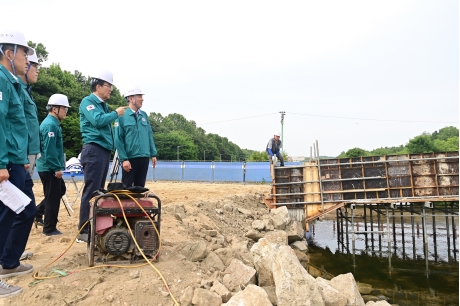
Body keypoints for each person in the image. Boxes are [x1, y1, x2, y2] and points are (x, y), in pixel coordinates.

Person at [0, 29, 36, 298]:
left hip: (15, 160)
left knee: (22, 209)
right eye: (25, 53)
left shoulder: (10, 82)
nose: (28, 60)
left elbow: (15, 125)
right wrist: (2, 163)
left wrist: (21, 160)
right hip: (6, 162)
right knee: (4, 217)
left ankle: (9, 261)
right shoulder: (2, 81)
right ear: (9, 54)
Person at [77, 71, 127, 242]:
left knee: (98, 191)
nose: (111, 90)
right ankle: (83, 230)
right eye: (108, 86)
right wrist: (116, 114)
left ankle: (93, 226)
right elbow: (97, 121)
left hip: (103, 150)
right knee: (91, 190)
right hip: (94, 149)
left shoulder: (103, 106)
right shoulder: (88, 102)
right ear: (98, 86)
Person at [35, 94, 69, 236]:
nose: (66, 111)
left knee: (60, 189)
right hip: (49, 167)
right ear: (55, 109)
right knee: (53, 197)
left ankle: (37, 212)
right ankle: (49, 228)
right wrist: (56, 168)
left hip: (49, 166)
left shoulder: (53, 124)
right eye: (64, 108)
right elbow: (49, 150)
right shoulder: (50, 125)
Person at [115, 87, 157, 187]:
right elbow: (118, 139)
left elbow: (149, 135)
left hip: (144, 158)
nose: (142, 99)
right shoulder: (121, 115)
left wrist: (153, 153)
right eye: (139, 96)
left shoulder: (144, 115)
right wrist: (124, 159)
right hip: (130, 159)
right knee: (127, 189)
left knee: (140, 188)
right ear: (130, 98)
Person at [18, 49, 40, 179]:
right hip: (24, 152)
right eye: (35, 66)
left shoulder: (26, 91)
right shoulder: (18, 88)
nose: (37, 71)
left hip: (31, 151)